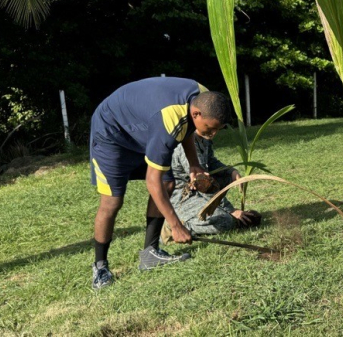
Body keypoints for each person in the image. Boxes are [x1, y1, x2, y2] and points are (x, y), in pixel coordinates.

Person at [90, 77, 231, 289]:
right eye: (209, 129)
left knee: (168, 184)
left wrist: (194, 164)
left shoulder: (202, 96)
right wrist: (176, 226)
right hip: (111, 132)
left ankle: (150, 254)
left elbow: (186, 129)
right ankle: (100, 267)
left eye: (216, 130)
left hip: (142, 127)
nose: (212, 135)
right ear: (197, 114)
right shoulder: (168, 118)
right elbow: (152, 182)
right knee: (113, 201)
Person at [160, 132, 261, 242]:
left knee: (227, 177)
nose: (213, 132)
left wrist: (231, 171)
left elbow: (211, 161)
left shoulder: (203, 137)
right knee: (224, 221)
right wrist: (230, 210)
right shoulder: (185, 147)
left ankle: (232, 218)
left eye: (218, 128)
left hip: (197, 190)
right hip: (182, 198)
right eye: (210, 128)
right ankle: (175, 227)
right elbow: (204, 185)